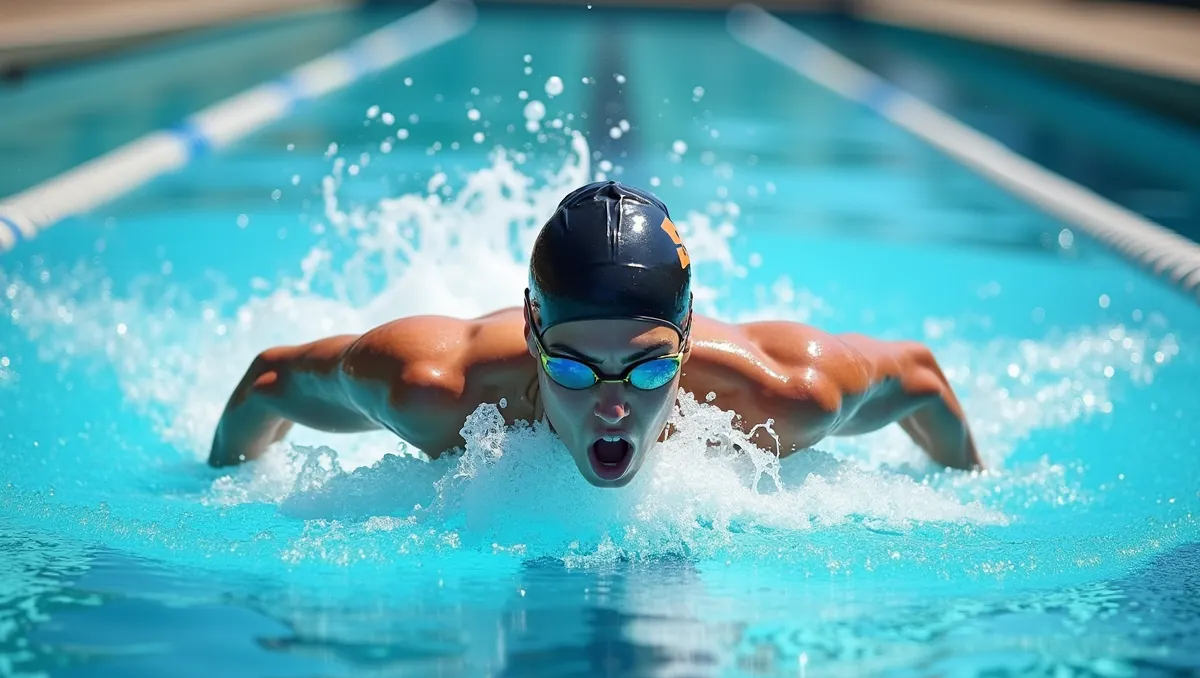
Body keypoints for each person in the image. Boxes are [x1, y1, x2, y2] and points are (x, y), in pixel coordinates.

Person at [209, 181, 982, 486]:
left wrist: (973, 490)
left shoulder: (784, 396)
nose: (613, 408)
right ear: (532, 332)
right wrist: (220, 490)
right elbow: (267, 380)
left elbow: (921, 379)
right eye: (575, 372)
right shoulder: (433, 388)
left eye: (648, 372)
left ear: (684, 345)